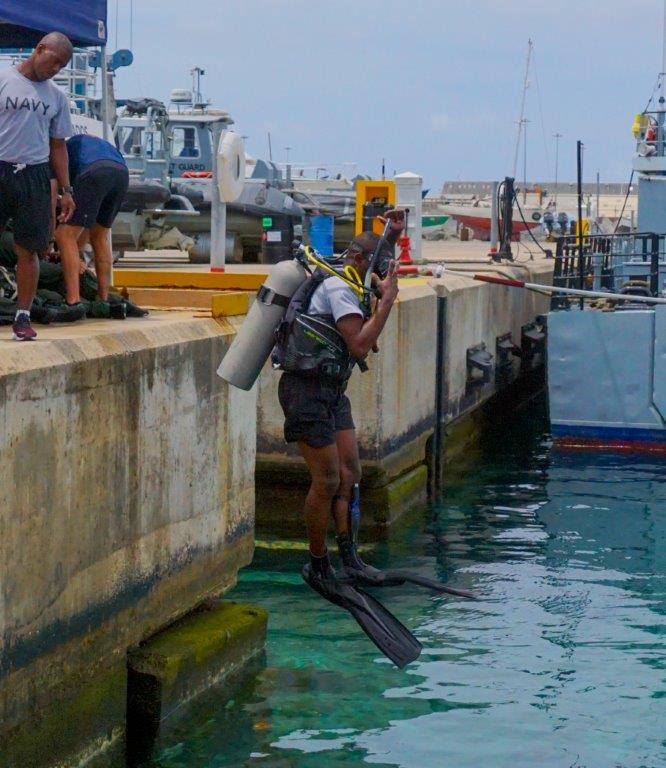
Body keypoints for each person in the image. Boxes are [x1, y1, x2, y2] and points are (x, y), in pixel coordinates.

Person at [0, 31, 75, 340]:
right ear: (39, 49)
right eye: (54, 61)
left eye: (62, 66)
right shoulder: (4, 79)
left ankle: (23, 316)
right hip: (1, 165)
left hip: (34, 173)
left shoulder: (57, 97)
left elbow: (58, 146)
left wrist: (66, 191)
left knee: (30, 249)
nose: (55, 69)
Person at [54, 133, 129, 318]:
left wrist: (51, 243)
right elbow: (84, 226)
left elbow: (54, 196)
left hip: (94, 171)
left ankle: (73, 301)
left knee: (63, 235)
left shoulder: (58, 152)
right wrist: (75, 253)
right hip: (121, 172)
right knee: (99, 235)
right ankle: (103, 301)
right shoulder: (86, 143)